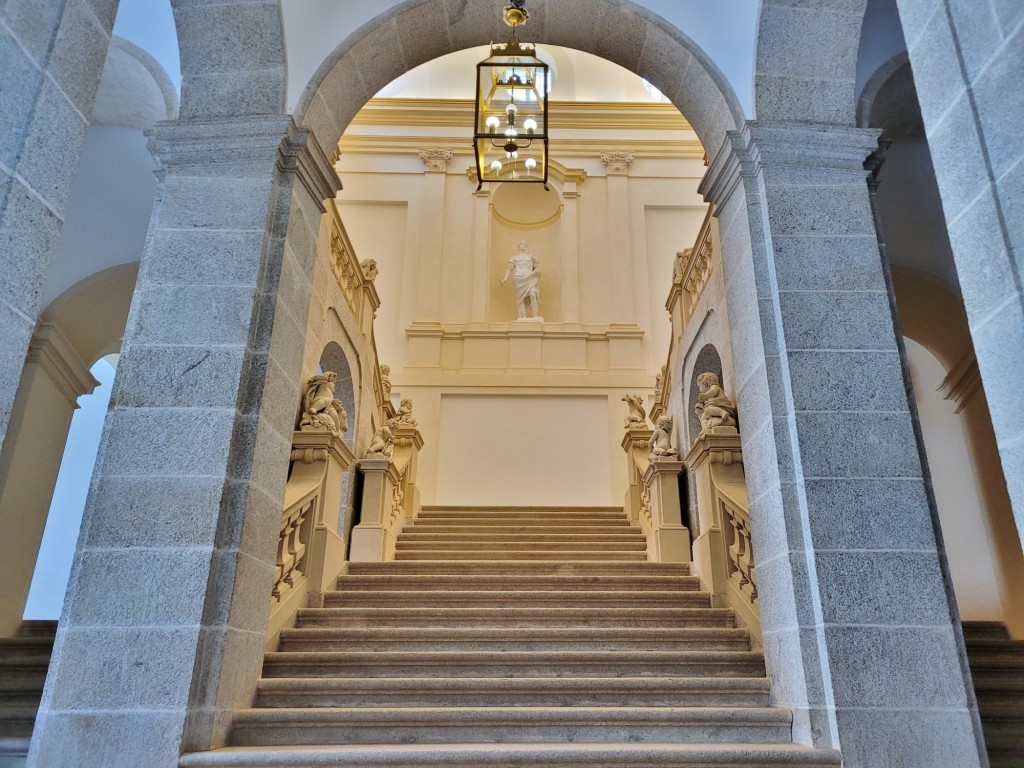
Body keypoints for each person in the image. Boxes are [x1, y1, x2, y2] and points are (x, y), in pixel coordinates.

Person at [499, 240, 542, 320]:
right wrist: (505, 279)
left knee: (532, 294)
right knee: (521, 298)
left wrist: (537, 270)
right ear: (518, 246)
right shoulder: (514, 258)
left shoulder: (532, 256)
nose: (523, 245)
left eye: (525, 244)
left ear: (526, 246)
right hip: (518, 278)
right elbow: (509, 269)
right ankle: (523, 316)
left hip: (530, 277)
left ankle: (535, 315)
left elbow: (536, 268)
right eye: (521, 244)